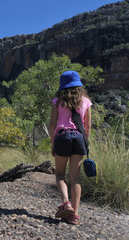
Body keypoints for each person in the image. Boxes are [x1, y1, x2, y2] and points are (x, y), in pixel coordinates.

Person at [49, 70, 92, 225]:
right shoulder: (86, 101)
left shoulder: (57, 101)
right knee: (75, 177)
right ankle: (74, 214)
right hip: (79, 139)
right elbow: (87, 126)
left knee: (60, 174)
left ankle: (66, 203)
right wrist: (85, 143)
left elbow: (53, 124)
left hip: (62, 137)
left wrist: (53, 142)